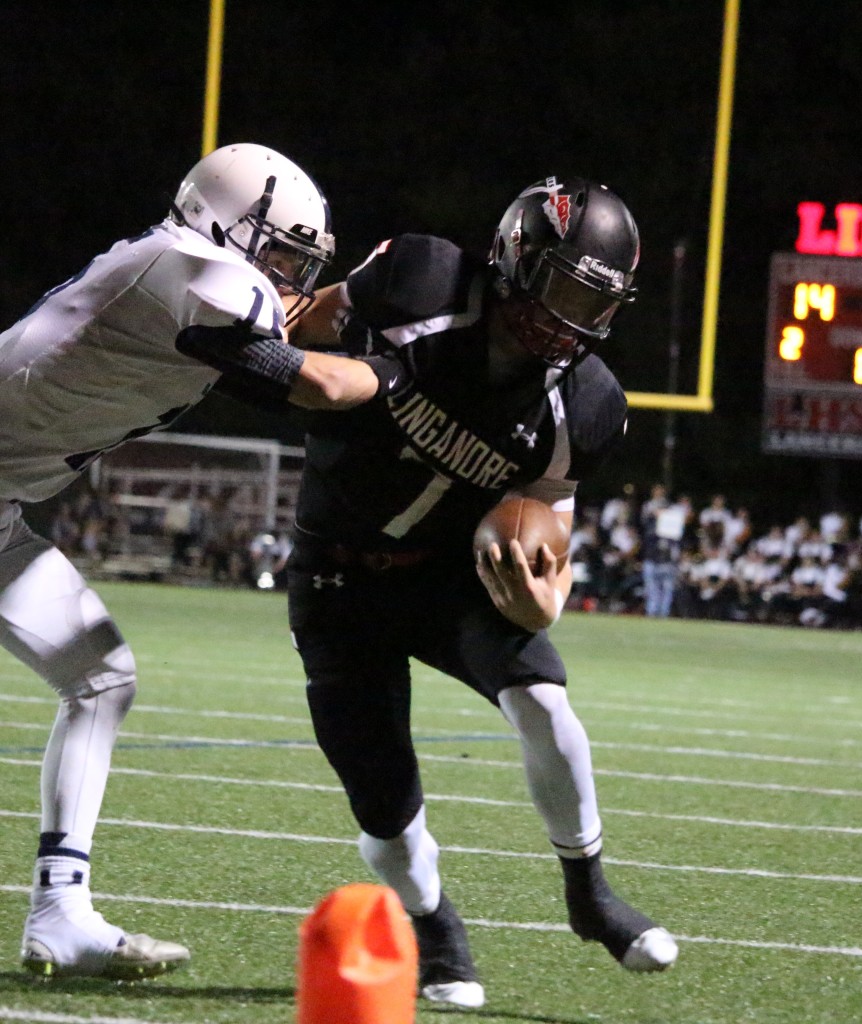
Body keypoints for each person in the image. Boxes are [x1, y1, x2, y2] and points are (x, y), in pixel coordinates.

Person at [275, 176, 679, 1007]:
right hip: (337, 576)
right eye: (562, 289)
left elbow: (550, 523)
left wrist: (544, 595)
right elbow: (306, 321)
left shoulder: (586, 402)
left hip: (449, 577)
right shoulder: (420, 281)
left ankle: (590, 891)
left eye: (593, 303)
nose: (571, 320)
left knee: (545, 701)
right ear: (515, 259)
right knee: (384, 808)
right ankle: (434, 926)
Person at [0, 142, 336, 978]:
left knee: (102, 678)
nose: (290, 275)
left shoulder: (182, 275)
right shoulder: (190, 263)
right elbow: (304, 383)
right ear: (228, 218)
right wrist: (400, 379)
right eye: (285, 251)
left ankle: (60, 915)